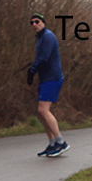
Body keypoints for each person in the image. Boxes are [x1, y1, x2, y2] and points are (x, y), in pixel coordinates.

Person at [28, 13, 69, 157]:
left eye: (37, 21)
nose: (34, 24)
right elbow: (40, 58)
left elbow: (44, 58)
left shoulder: (48, 36)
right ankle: (52, 143)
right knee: (41, 112)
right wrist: (32, 71)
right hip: (45, 78)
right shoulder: (40, 38)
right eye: (32, 23)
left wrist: (32, 70)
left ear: (43, 22)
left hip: (53, 77)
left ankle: (61, 142)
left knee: (43, 110)